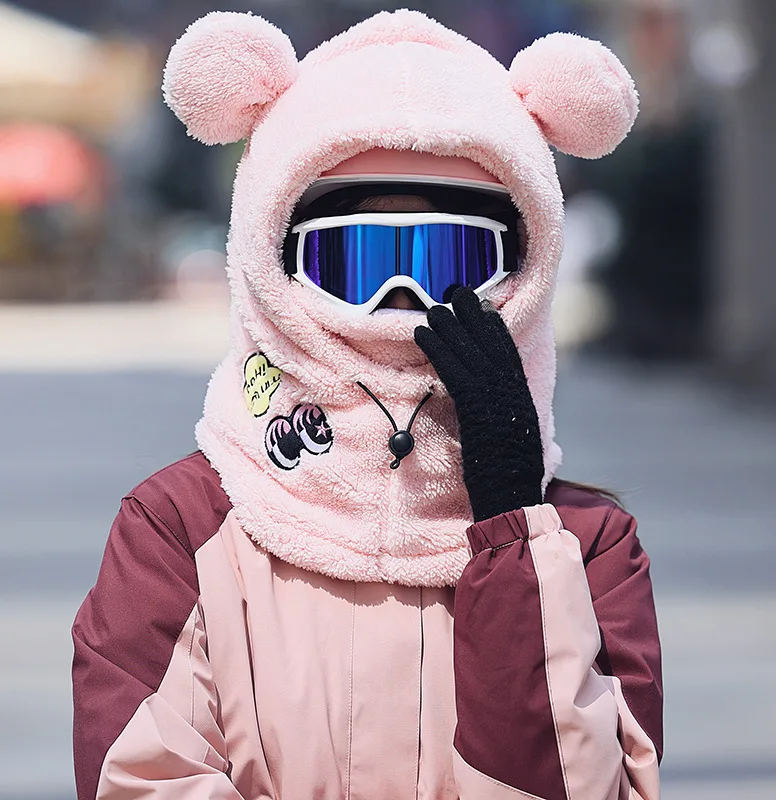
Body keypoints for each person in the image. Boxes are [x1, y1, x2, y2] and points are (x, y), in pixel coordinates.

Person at [72, 10, 662, 799]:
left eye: (451, 264)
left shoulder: (587, 551)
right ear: (272, 258)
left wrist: (516, 535)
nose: (402, 306)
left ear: (526, 268)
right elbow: (141, 780)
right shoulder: (179, 531)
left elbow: (596, 789)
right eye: (357, 261)